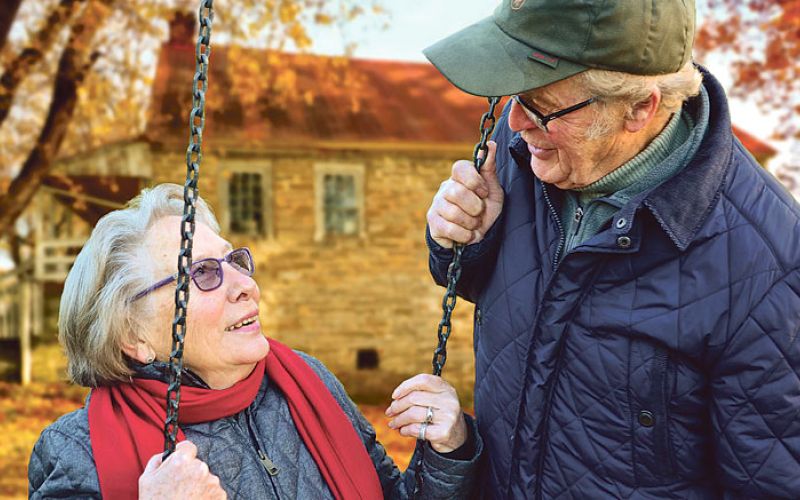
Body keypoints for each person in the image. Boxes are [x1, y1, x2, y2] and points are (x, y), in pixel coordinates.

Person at [424, 0, 800, 498]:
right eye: (512, 95)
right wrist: (464, 241)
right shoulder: (525, 152)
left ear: (640, 108)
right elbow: (501, 296)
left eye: (541, 105)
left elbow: (772, 483)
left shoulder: (769, 267)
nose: (516, 122)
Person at [29, 183, 481, 499]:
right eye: (202, 273)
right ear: (133, 336)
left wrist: (448, 452)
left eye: (234, 261)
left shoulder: (307, 383)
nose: (244, 284)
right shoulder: (76, 450)